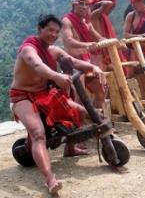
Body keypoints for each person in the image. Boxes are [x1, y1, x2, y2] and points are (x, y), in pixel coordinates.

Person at [9, 14, 103, 194]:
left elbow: (73, 61)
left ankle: (70, 148)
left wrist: (93, 67)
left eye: (56, 32)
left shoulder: (53, 50)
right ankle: (50, 179)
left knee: (80, 112)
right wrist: (56, 76)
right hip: (23, 97)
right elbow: (37, 66)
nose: (53, 34)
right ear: (39, 29)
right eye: (49, 30)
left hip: (45, 94)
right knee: (38, 134)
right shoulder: (28, 49)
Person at [61, 0, 118, 108]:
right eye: (81, 4)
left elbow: (98, 38)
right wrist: (88, 45)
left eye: (87, 4)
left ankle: (97, 120)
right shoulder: (67, 21)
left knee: (101, 91)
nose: (84, 7)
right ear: (74, 4)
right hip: (73, 64)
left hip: (87, 63)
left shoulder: (87, 23)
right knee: (79, 98)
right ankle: (79, 123)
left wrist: (115, 43)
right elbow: (69, 41)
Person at [90, 0, 128, 73]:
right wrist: (99, 2)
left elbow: (109, 4)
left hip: (110, 50)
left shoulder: (104, 17)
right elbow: (108, 4)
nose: (112, 8)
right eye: (111, 7)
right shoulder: (94, 16)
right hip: (103, 54)